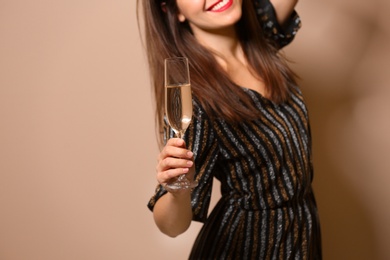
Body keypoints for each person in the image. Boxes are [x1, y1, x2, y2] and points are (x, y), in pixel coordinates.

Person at [138, 0, 322, 258]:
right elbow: (171, 225)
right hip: (249, 246)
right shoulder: (194, 97)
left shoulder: (261, 37)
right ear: (173, 10)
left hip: (302, 233)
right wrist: (177, 190)